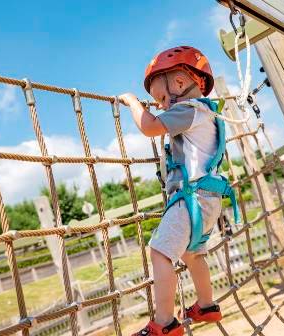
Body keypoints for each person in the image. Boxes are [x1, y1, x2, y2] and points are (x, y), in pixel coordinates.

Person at [120, 46, 237, 336]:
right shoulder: (209, 113)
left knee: (159, 253)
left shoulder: (187, 110)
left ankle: (164, 323)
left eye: (161, 98)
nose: (159, 105)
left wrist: (134, 103)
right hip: (209, 200)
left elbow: (149, 127)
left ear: (181, 84)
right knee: (193, 255)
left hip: (191, 199)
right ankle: (207, 306)